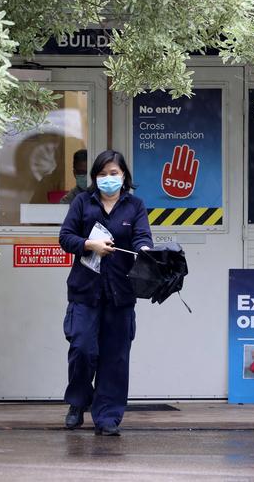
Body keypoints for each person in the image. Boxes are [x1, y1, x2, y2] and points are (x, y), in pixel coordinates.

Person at [58, 150, 153, 436]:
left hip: (121, 293)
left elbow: (142, 236)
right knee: (83, 350)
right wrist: (89, 244)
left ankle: (108, 418)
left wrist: (145, 251)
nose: (108, 179)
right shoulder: (81, 203)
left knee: (115, 357)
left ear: (124, 176)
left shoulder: (135, 206)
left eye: (114, 173)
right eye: (102, 174)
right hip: (85, 293)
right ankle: (78, 402)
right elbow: (65, 237)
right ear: (94, 178)